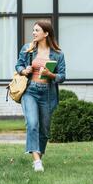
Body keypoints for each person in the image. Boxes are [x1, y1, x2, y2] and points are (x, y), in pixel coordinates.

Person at [15, 20, 65, 172]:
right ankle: (37, 162)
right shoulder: (28, 49)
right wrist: (24, 70)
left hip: (48, 93)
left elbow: (62, 76)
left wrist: (50, 74)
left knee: (44, 130)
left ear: (46, 33)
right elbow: (18, 66)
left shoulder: (58, 54)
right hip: (30, 91)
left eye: (37, 30)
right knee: (32, 123)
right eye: (33, 30)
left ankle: (38, 157)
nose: (33, 33)